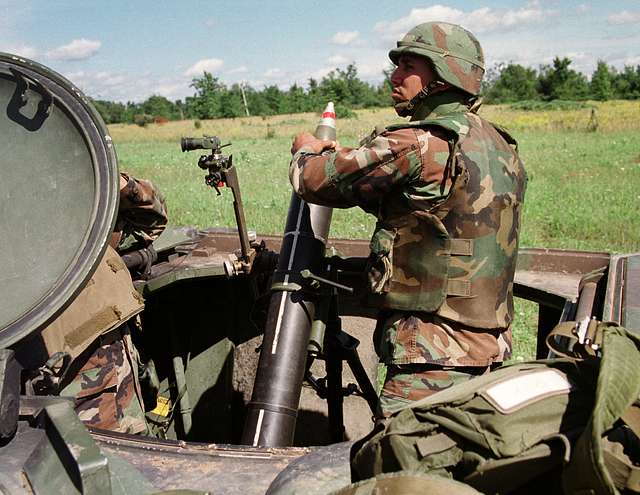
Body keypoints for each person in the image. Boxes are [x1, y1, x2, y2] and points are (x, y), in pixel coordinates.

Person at [290, 22, 527, 417]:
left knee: (401, 469)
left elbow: (314, 181)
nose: (394, 75)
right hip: (487, 351)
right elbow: (423, 206)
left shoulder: (418, 142)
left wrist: (307, 151)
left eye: (408, 65)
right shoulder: (498, 144)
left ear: (444, 74)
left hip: (430, 357)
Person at [30, 172, 167, 433]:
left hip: (99, 341)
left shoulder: (79, 180)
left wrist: (118, 184)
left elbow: (153, 222)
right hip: (66, 360)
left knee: (126, 445)